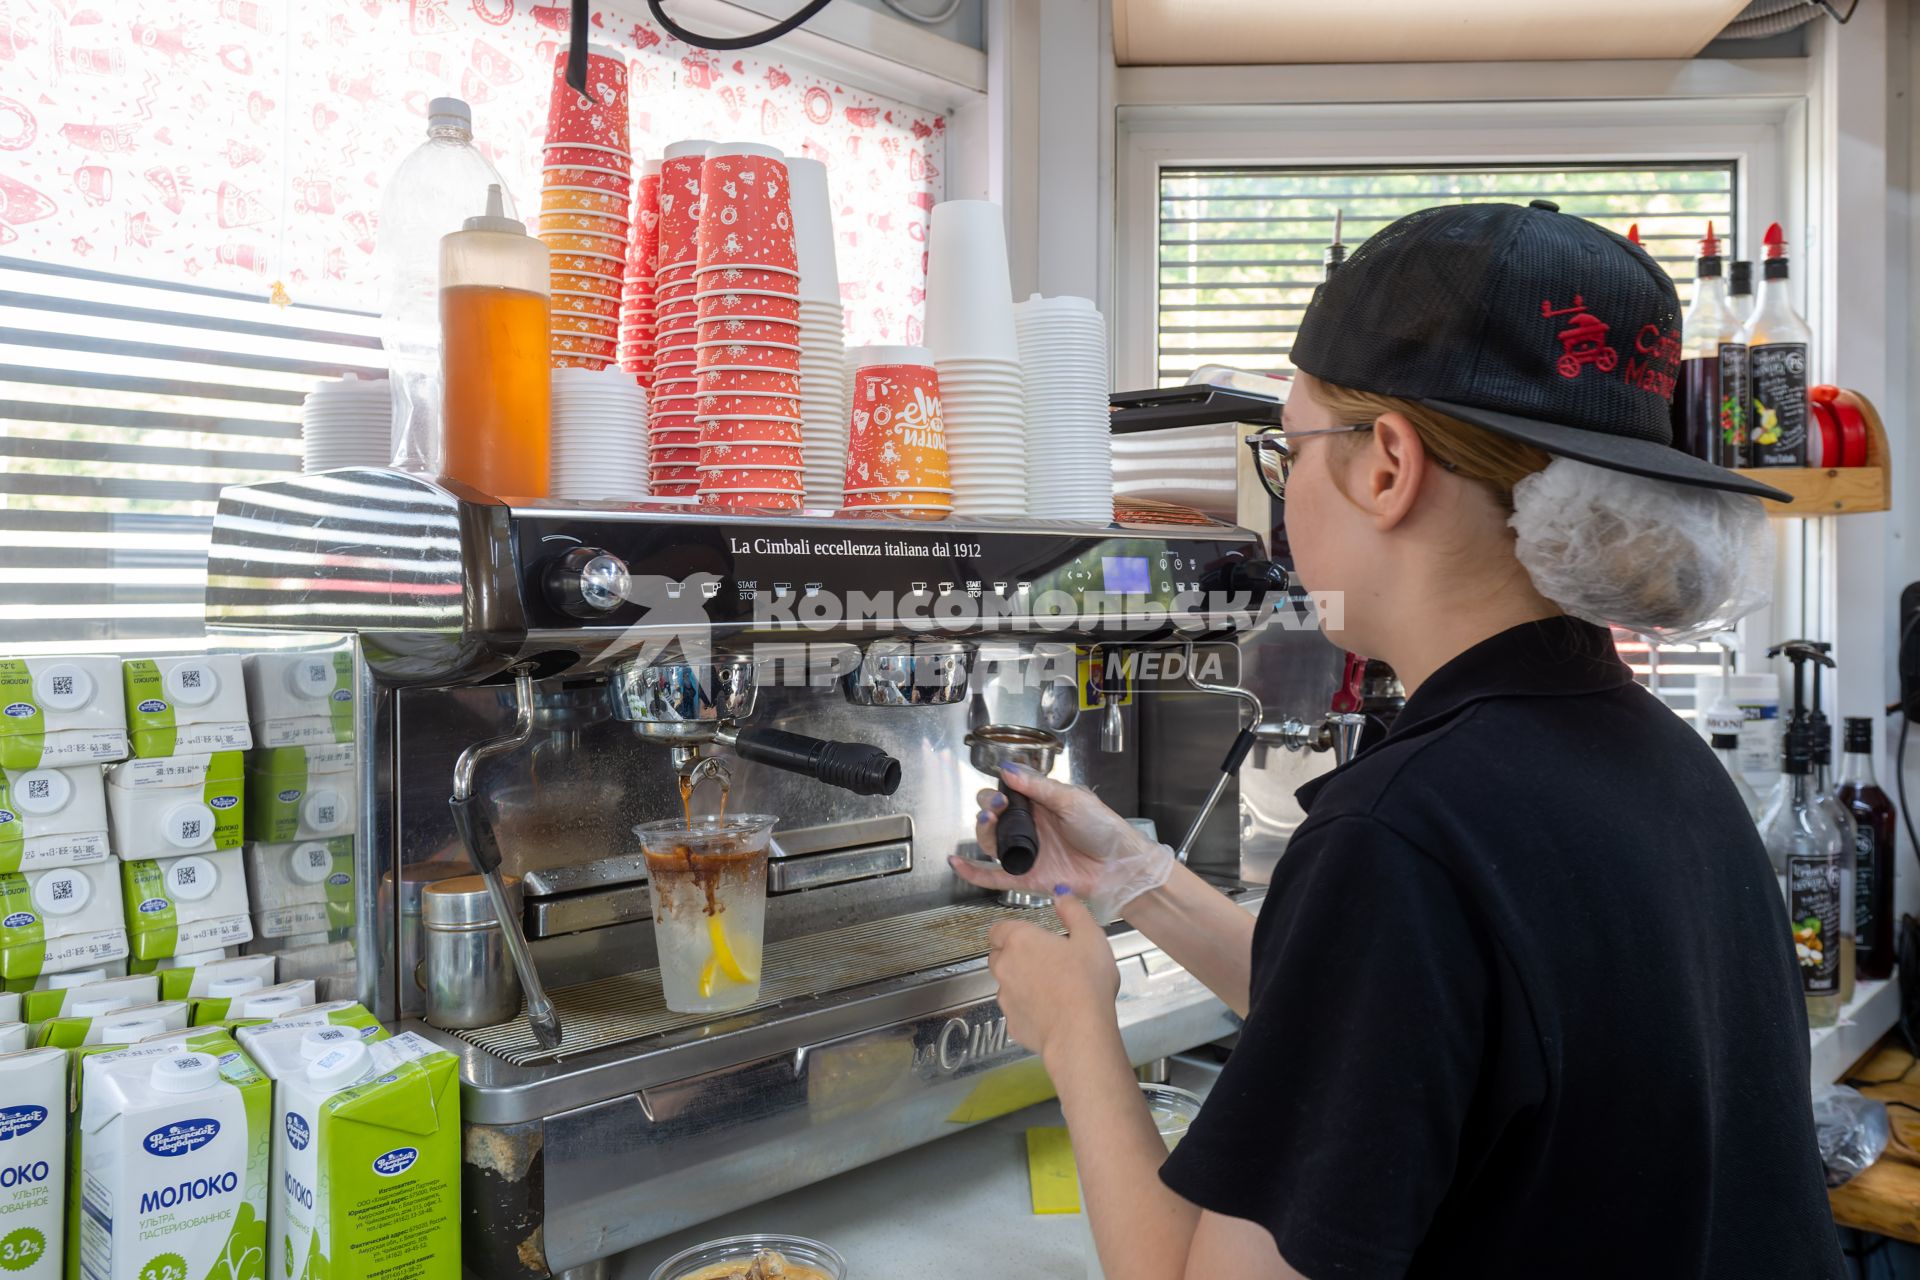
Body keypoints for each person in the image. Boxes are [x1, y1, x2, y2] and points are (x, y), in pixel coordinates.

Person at [954, 202, 1842, 1278]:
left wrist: (1074, 1029)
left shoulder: (1407, 828)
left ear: (1385, 467)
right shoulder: (1662, 761)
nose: (1281, 509)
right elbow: (1385, 1037)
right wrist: (1135, 872)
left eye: (1289, 452)